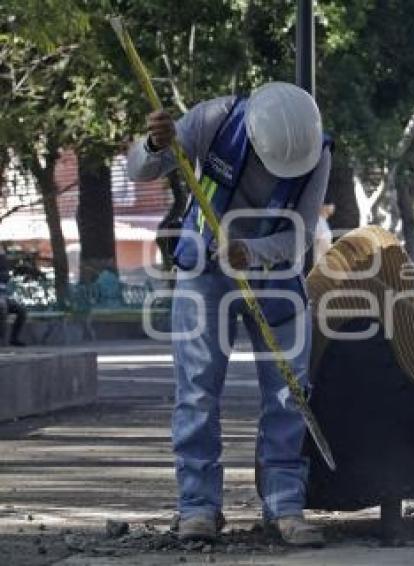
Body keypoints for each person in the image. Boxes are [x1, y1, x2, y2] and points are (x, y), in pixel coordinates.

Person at [127, 82, 331, 544]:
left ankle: (285, 504)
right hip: (204, 270)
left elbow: (299, 236)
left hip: (275, 273)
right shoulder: (213, 119)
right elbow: (140, 170)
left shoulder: (315, 150)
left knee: (289, 394)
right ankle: (198, 505)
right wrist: (154, 144)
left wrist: (251, 251)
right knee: (197, 391)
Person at [0, 245, 27, 347]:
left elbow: (5, 276)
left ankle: (14, 338)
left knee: (21, 310)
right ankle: (2, 339)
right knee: (2, 307)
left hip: (3, 296)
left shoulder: (3, 270)